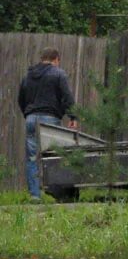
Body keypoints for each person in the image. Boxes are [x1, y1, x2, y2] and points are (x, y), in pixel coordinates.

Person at [17, 48, 76, 201]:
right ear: (56, 59)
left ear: (42, 58)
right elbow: (67, 97)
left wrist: (28, 114)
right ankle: (57, 192)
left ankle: (35, 195)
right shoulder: (58, 74)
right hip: (50, 119)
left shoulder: (28, 75)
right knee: (54, 156)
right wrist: (73, 116)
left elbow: (21, 99)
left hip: (31, 118)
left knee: (32, 158)